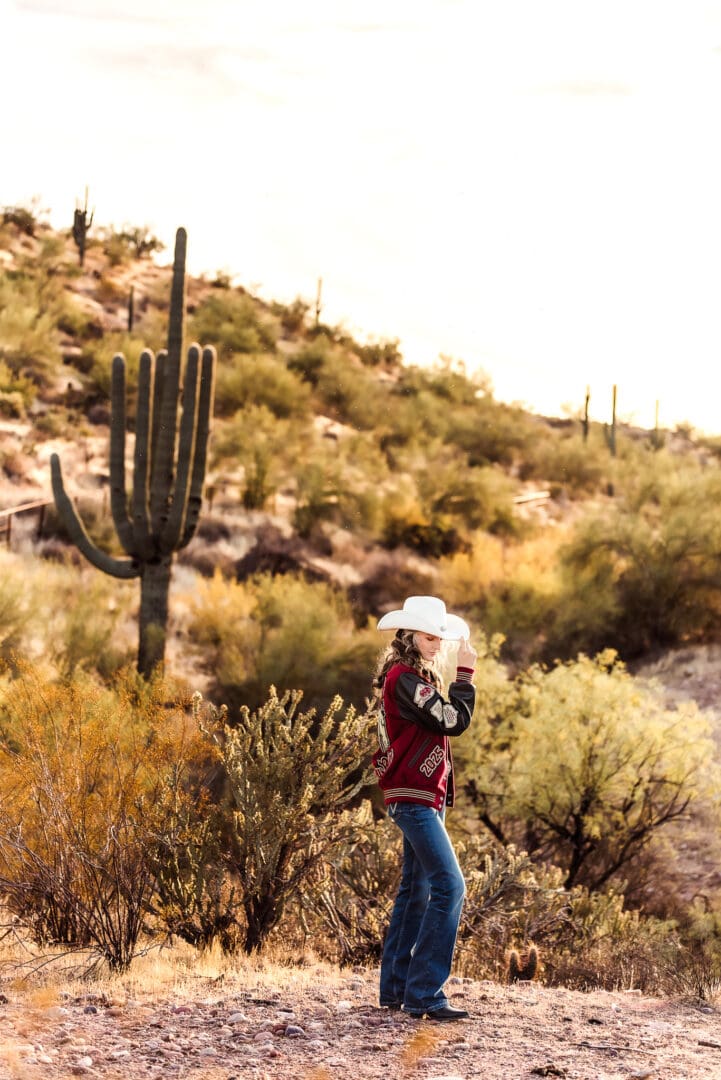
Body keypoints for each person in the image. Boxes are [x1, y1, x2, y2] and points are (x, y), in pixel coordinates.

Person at [371, 595, 477, 1021]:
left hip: (419, 795)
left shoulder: (413, 677)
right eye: (430, 636)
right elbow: (453, 720)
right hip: (414, 797)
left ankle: (397, 989)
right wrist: (466, 676)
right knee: (451, 887)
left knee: (416, 891)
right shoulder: (405, 679)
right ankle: (424, 993)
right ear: (409, 635)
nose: (437, 643)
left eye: (440, 637)